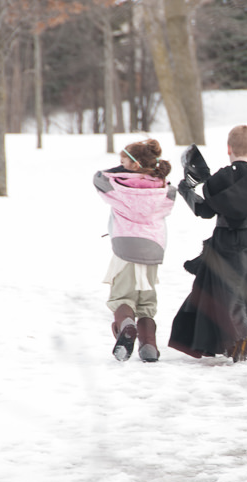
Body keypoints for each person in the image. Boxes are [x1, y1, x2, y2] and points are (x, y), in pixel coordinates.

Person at [169, 125, 247, 362]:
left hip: (224, 238)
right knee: (244, 290)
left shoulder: (217, 180)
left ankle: (240, 337)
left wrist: (186, 190)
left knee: (226, 290)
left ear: (228, 149)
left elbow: (203, 210)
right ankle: (239, 340)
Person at [94, 139, 176, 362]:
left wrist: (123, 171)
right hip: (153, 248)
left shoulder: (119, 186)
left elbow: (99, 178)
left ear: (133, 164)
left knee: (122, 297)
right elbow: (173, 194)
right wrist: (142, 172)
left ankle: (126, 326)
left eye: (122, 161)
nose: (118, 165)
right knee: (146, 302)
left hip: (125, 247)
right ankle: (149, 345)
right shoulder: (162, 188)